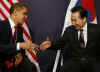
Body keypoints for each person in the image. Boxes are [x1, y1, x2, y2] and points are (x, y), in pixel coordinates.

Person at [40, 6, 100, 72]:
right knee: (63, 70)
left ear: (84, 19)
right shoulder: (69, 30)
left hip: (92, 62)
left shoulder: (96, 30)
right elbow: (60, 43)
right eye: (72, 20)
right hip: (75, 62)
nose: (73, 23)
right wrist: (51, 44)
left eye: (75, 20)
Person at [0, 3, 39, 72]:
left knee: (31, 67)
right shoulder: (2, 26)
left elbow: (21, 47)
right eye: (24, 13)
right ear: (15, 13)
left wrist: (21, 53)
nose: (26, 17)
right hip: (3, 61)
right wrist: (20, 45)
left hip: (16, 59)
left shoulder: (19, 29)